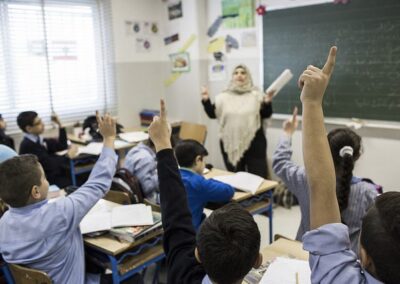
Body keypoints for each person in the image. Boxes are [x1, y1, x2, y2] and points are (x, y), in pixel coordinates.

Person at [300, 46, 400, 283]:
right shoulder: (366, 191)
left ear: (363, 258)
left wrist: (312, 102)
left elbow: (321, 187)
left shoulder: (340, 279)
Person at [148, 99, 263, 283]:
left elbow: (174, 215)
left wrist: (162, 144)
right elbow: (226, 192)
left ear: (197, 254)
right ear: (258, 261)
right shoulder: (199, 183)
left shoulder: (181, 271)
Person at [0, 112, 117, 284]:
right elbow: (98, 183)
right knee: (132, 277)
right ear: (36, 192)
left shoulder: (4, 223)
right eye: (44, 178)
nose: (46, 181)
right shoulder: (59, 213)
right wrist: (109, 138)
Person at [272, 107, 378, 253]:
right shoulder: (368, 192)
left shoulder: (306, 179)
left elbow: (280, 162)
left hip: (305, 255)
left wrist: (287, 133)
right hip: (347, 264)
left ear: (325, 151)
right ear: (357, 156)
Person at [201, 64, 274, 178]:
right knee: (236, 178)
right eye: (236, 73)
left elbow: (266, 114)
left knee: (258, 178)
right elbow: (212, 114)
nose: (239, 75)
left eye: (243, 72)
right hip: (230, 143)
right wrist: (206, 100)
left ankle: (257, 197)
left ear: (248, 76)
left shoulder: (257, 95)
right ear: (232, 77)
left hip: (254, 142)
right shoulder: (222, 97)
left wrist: (268, 102)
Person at [174, 139, 234, 230]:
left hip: (173, 232)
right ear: (198, 160)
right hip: (192, 235)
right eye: (203, 160)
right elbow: (228, 191)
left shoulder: (172, 176)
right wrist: (208, 180)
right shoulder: (197, 183)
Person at [17, 111, 77, 187]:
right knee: (78, 180)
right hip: (44, 183)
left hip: (51, 176)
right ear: (29, 128)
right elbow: (50, 165)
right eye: (38, 123)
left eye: (41, 120)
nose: (43, 124)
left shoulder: (38, 139)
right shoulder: (28, 145)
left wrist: (60, 125)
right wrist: (68, 155)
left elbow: (62, 146)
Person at [124, 139, 160, 203]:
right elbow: (147, 189)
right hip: (145, 201)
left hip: (130, 193)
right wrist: (160, 175)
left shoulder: (134, 150)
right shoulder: (147, 159)